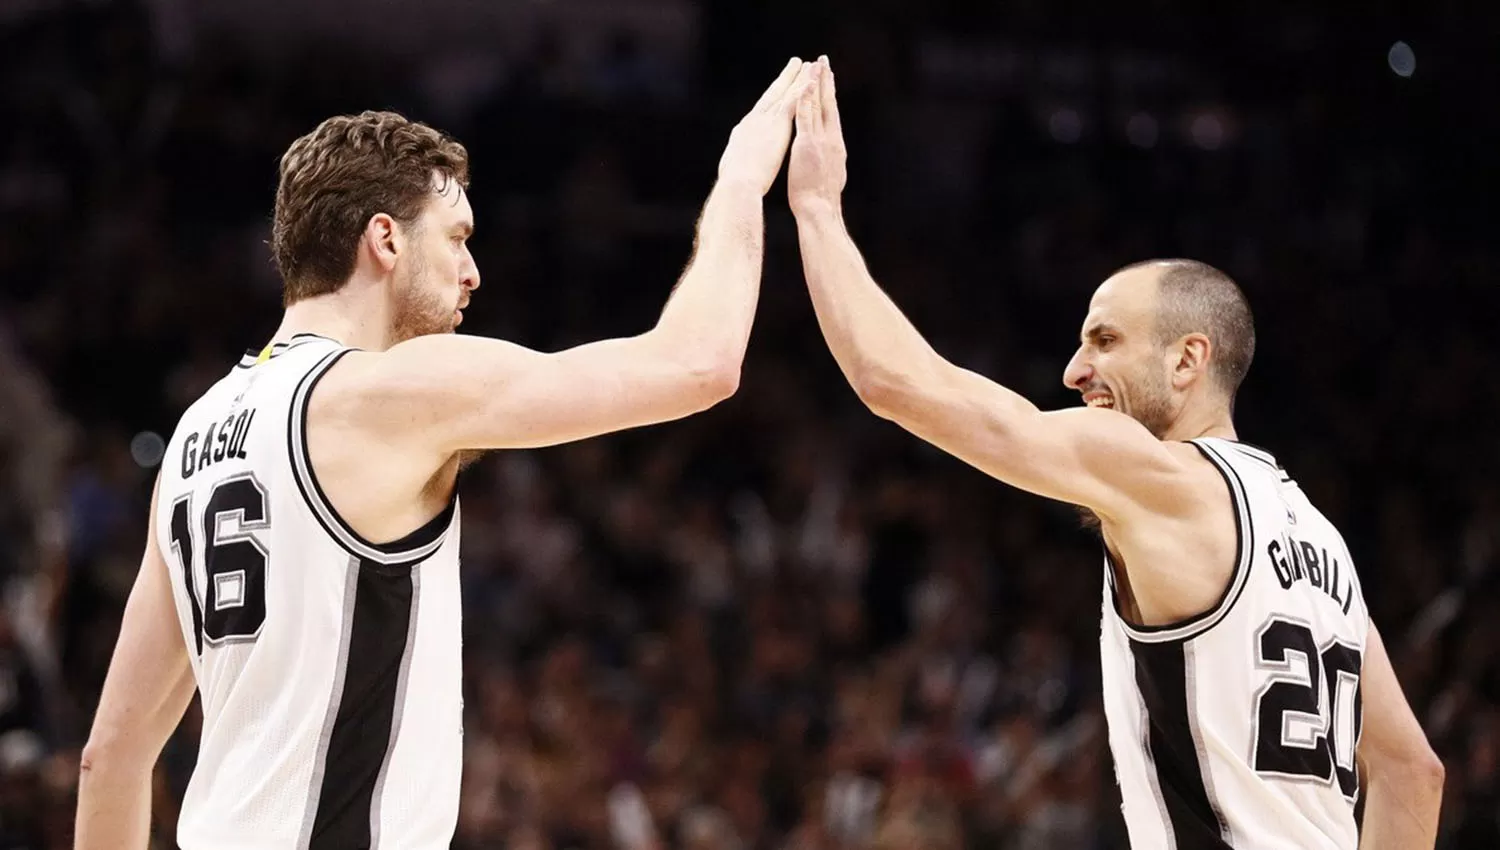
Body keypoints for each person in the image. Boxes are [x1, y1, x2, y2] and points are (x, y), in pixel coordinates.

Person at [74, 58, 817, 850]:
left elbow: (111, 757)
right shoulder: (385, 391)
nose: (473, 272)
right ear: (385, 240)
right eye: (457, 238)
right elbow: (698, 364)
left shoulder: (195, 434)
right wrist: (741, 176)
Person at [785, 56, 1445, 849]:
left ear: (1187, 360)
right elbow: (1413, 773)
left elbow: (897, 381)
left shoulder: (1163, 475)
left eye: (1104, 341)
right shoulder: (1322, 543)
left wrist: (818, 210)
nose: (1073, 371)